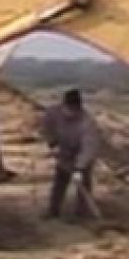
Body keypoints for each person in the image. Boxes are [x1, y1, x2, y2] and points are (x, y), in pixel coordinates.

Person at [41, 88, 101, 221]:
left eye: (74, 110)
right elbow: (46, 127)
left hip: (81, 154)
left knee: (83, 184)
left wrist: (79, 168)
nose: (70, 113)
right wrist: (52, 143)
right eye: (68, 109)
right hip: (63, 150)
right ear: (63, 105)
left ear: (79, 108)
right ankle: (53, 211)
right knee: (59, 182)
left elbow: (89, 148)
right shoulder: (52, 113)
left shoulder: (87, 123)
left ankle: (82, 214)